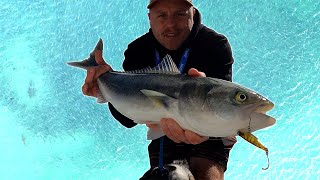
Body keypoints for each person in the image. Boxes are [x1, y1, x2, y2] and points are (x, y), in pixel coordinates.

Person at [82, 0, 236, 179]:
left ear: (192, 12)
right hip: (163, 134)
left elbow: (222, 106)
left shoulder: (215, 45)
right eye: (162, 15)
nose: (170, 24)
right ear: (150, 18)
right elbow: (128, 119)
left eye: (180, 14)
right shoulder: (137, 50)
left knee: (204, 174)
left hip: (210, 133)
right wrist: (103, 89)